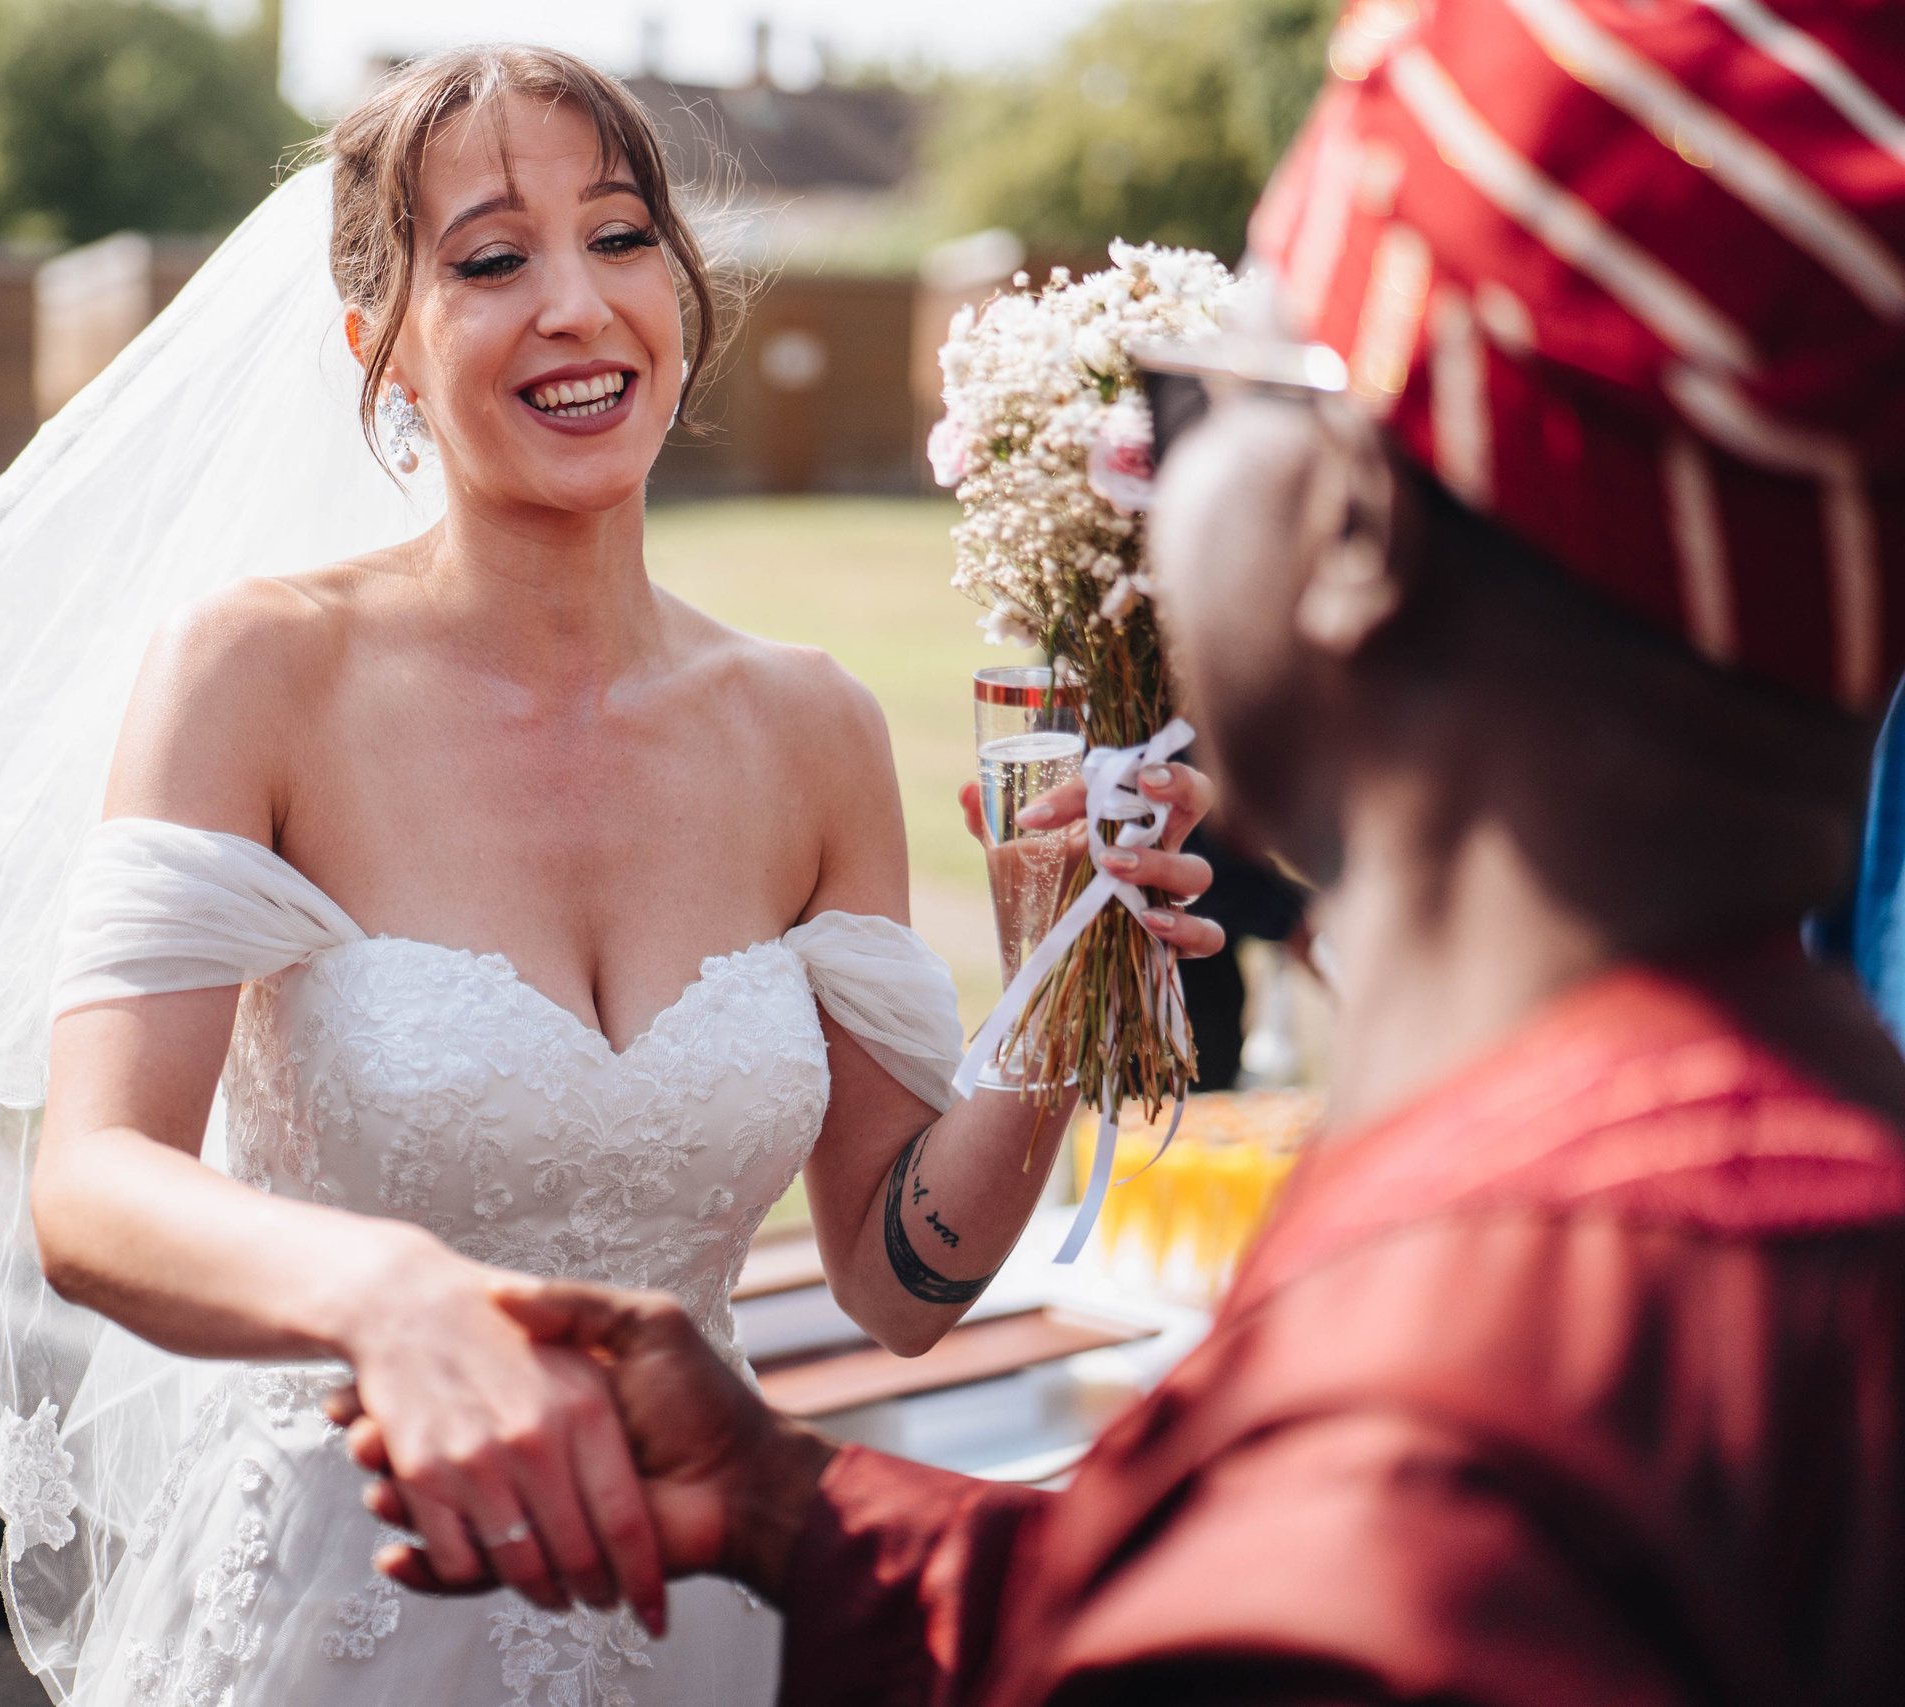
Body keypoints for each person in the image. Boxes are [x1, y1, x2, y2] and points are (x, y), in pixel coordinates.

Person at [0, 45, 1223, 1707]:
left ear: (685, 291)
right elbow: (90, 1192)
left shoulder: (811, 726)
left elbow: (901, 1285)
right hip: (339, 1606)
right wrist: (389, 1296)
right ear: (382, 350)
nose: (577, 305)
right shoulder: (258, 674)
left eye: (622, 237)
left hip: (696, 1614)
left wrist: (1053, 999)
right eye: (493, 258)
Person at [341, 4, 1905, 1703]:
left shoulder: (1461, 1393)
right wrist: (802, 1509)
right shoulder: (1767, 1199)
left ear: (1353, 531)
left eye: (1204, 393)